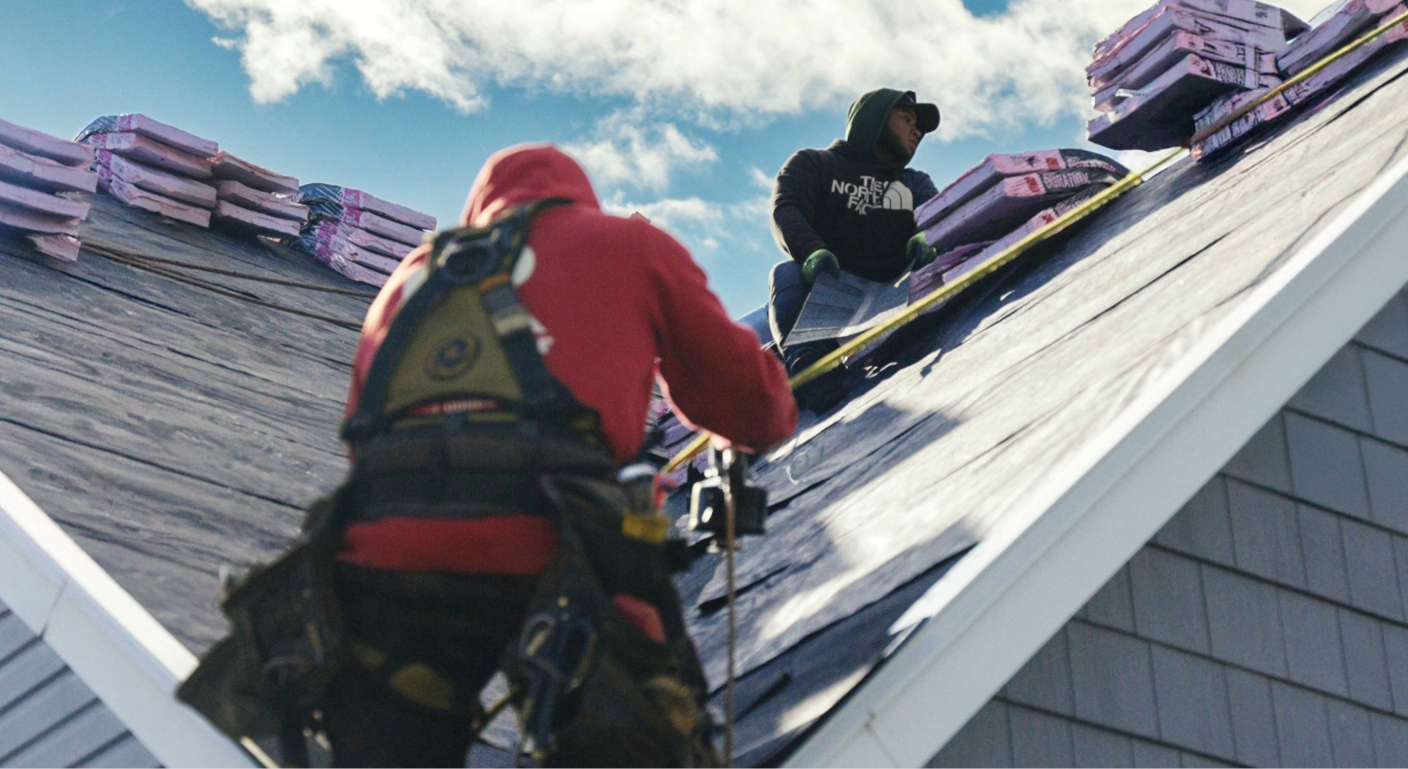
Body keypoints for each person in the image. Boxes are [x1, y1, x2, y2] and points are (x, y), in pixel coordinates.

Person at [183, 144, 798, 768]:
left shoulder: (411, 276)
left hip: (384, 555)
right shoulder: (630, 246)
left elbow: (364, 436)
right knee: (642, 727)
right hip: (557, 547)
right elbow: (754, 411)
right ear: (579, 199)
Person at [768, 88, 942, 411]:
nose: (917, 131)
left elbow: (935, 212)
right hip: (831, 298)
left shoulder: (914, 182)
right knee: (786, 273)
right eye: (907, 120)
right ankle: (810, 372)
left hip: (897, 293)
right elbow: (787, 208)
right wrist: (811, 251)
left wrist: (927, 236)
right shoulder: (815, 164)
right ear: (873, 120)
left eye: (919, 127)